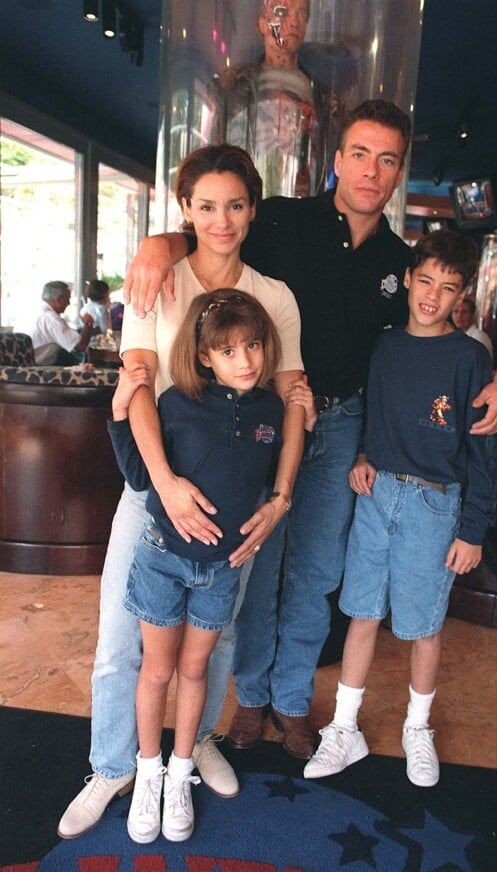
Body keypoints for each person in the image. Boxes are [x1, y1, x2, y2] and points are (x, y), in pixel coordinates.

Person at [121, 99, 497, 763]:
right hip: (264, 420)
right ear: (336, 161)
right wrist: (158, 243)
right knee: (256, 562)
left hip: (342, 424)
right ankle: (250, 696)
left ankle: (294, 703)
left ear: (397, 173)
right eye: (359, 154)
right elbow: (215, 231)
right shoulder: (279, 218)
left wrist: (493, 373)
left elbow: (433, 326)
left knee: (317, 574)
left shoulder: (399, 258)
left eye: (387, 160)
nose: (371, 170)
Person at [57, 144, 307, 840]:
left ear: (253, 210)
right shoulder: (158, 279)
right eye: (205, 206)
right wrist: (163, 482)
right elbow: (135, 383)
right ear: (185, 211)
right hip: (155, 493)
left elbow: (292, 400)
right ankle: (114, 764)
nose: (220, 220)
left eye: (234, 205)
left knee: (215, 633)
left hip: (237, 505)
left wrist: (280, 498)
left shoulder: (274, 298)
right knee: (121, 640)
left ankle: (190, 747)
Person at [303, 230, 497, 787]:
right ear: (410, 278)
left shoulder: (469, 358)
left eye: (448, 288)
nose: (432, 296)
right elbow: (374, 411)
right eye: (425, 281)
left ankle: (418, 728)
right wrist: (364, 453)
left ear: (463, 296)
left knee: (423, 625)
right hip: (377, 496)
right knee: (362, 614)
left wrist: (473, 529)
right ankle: (345, 730)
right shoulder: (385, 344)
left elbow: (485, 452)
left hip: (436, 506)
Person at [108, 290, 285, 843]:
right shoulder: (178, 403)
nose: (246, 360)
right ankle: (149, 776)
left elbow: (273, 478)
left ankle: (181, 773)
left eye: (252, 346)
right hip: (163, 558)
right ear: (206, 356)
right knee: (156, 671)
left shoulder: (271, 412)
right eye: (229, 351)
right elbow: (141, 476)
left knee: (195, 671)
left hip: (222, 569)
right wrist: (120, 410)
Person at [208, 0, 343, 198]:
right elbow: (214, 154)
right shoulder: (231, 87)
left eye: (301, 14)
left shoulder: (325, 100)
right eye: (282, 12)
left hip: (299, 205)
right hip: (242, 204)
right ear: (262, 23)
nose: (294, 22)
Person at [14, 280, 94, 365]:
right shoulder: (51, 319)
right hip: (38, 371)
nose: (69, 303)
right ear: (58, 300)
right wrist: (88, 323)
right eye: (68, 299)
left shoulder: (30, 311)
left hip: (18, 368)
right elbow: (80, 346)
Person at [451, 295, 494, 359]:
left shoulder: (479, 337)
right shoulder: (459, 336)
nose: (459, 315)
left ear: (472, 315)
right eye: (456, 311)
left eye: (464, 312)